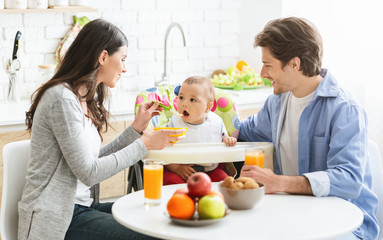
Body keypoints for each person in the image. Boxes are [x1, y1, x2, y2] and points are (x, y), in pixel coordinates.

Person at [19, 19, 185, 240]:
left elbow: (92, 162)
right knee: (150, 234)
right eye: (123, 59)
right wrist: (143, 145)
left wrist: (136, 129)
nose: (125, 68)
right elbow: (89, 173)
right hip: (58, 216)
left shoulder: (84, 99)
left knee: (158, 219)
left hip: (81, 208)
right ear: (103, 56)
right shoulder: (61, 99)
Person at [238, 17, 378, 240]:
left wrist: (279, 182)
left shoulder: (345, 109)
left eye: (268, 65)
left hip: (344, 224)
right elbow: (248, 131)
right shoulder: (277, 101)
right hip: (295, 215)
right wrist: (207, 120)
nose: (262, 74)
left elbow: (349, 180)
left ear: (294, 64)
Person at [163, 76, 237, 185]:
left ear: (208, 107)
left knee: (223, 179)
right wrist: (176, 168)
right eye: (181, 97)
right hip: (180, 171)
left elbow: (223, 141)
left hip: (210, 171)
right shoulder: (174, 124)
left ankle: (217, 200)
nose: (184, 103)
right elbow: (164, 152)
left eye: (192, 100)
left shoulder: (216, 122)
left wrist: (229, 141)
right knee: (169, 180)